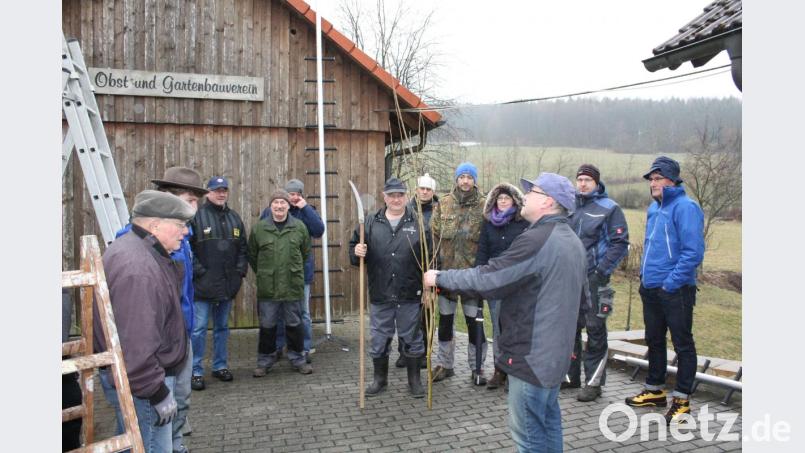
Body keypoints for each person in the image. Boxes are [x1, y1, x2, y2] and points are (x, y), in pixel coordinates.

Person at [424, 173, 588, 453]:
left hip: (531, 356)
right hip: (555, 357)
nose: (525, 197)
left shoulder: (537, 240)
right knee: (548, 425)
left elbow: (490, 278)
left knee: (529, 438)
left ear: (548, 201)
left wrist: (440, 278)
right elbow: (584, 304)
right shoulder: (571, 239)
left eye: (532, 192)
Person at [95, 190, 196, 453]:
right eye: (180, 225)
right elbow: (135, 345)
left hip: (142, 379)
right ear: (155, 225)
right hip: (146, 384)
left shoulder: (138, 251)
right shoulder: (138, 269)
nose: (185, 232)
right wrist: (157, 392)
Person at [116, 166, 208, 452]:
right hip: (155, 347)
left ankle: (176, 445)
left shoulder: (182, 235)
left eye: (196, 202)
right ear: (169, 200)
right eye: (189, 201)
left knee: (180, 402)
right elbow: (137, 323)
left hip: (180, 334)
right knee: (147, 416)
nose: (194, 210)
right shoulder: (138, 245)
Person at [625, 156, 704, 425]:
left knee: (683, 345)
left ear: (672, 180)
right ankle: (655, 390)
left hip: (676, 289)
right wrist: (646, 277)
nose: (653, 183)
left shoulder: (686, 207)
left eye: (658, 178)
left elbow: (693, 252)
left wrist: (671, 282)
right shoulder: (653, 209)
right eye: (651, 179)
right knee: (654, 340)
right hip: (650, 287)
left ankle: (681, 400)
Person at [349, 177, 430, 398]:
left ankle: (414, 381)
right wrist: (356, 253)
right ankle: (380, 380)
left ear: (406, 196)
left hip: (409, 293)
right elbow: (354, 250)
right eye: (391, 195)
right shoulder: (369, 223)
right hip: (381, 292)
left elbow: (431, 259)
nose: (396, 199)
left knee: (412, 338)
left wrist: (429, 288)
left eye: (400, 195)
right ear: (384, 197)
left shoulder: (419, 223)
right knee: (379, 338)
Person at [565, 164, 630, 402]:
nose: (582, 184)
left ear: (596, 183)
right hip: (570, 277)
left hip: (595, 280)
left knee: (595, 329)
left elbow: (620, 243)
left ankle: (594, 383)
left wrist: (602, 271)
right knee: (570, 328)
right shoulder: (569, 205)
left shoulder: (609, 208)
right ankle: (570, 378)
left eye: (587, 180)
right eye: (579, 179)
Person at [430, 162, 488, 385]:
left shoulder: (484, 206)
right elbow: (433, 239)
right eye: (462, 177)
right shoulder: (443, 205)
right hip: (447, 277)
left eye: (469, 177)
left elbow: (488, 241)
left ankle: (478, 368)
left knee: (475, 326)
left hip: (473, 278)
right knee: (445, 324)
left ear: (475, 180)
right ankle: (445, 365)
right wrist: (434, 271)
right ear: (456, 180)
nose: (465, 181)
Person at [189, 176, 249, 391]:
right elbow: (188, 249)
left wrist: (239, 272)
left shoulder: (234, 218)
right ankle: (195, 371)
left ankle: (220, 366)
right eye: (216, 190)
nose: (221, 193)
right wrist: (200, 273)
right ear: (207, 192)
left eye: (224, 190)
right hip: (202, 287)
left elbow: (243, 248)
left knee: (222, 328)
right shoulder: (196, 217)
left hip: (227, 287)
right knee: (197, 330)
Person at [249, 189, 313, 376]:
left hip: (292, 286)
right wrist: (265, 272)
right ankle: (265, 361)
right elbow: (253, 255)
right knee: (267, 325)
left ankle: (298, 359)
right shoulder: (259, 229)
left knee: (294, 324)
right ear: (270, 206)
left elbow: (304, 253)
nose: (279, 206)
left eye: (283, 203)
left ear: (288, 205)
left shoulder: (299, 227)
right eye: (275, 203)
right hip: (268, 287)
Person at [261, 178, 325, 364]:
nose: (293, 197)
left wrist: (305, 208)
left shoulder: (307, 211)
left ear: (301, 195)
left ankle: (303, 348)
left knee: (302, 313)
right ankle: (278, 347)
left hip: (301, 274)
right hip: (276, 273)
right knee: (278, 312)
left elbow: (319, 230)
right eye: (291, 194)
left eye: (297, 194)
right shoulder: (271, 211)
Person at [474, 182, 530, 390]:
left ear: (514, 201)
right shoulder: (489, 223)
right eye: (499, 199)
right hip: (495, 283)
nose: (503, 201)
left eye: (507, 198)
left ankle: (515, 369)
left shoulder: (523, 223)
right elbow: (483, 250)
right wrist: (479, 275)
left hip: (517, 284)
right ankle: (499, 370)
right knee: (498, 328)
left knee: (515, 327)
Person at [394, 172, 439, 369]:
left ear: (433, 191)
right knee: (406, 313)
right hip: (407, 268)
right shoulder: (406, 209)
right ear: (416, 190)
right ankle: (404, 352)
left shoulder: (439, 211)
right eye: (422, 188)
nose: (425, 192)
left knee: (426, 314)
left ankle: (423, 353)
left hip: (430, 264)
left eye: (428, 189)